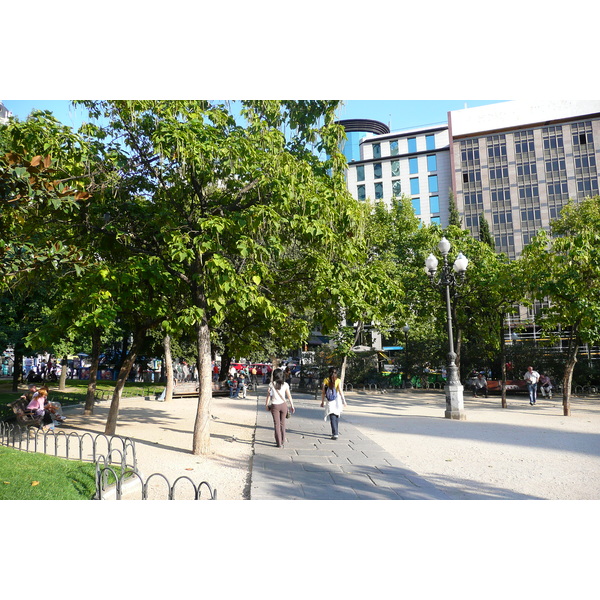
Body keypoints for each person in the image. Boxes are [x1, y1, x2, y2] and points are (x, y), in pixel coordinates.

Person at [265, 368, 294, 448]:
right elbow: (289, 396)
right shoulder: (285, 384)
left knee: (277, 424)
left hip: (275, 406)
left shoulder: (271, 384)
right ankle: (283, 439)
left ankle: (279, 443)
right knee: (283, 423)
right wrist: (292, 405)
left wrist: (266, 405)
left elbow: (268, 396)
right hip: (283, 405)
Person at [321, 367, 347, 440]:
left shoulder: (326, 380)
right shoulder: (338, 380)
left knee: (332, 416)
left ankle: (335, 433)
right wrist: (344, 401)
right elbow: (341, 391)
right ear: (336, 373)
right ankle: (336, 432)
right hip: (337, 400)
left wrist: (322, 402)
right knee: (336, 416)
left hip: (330, 400)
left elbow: (323, 392)